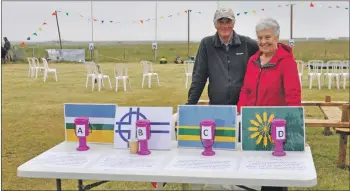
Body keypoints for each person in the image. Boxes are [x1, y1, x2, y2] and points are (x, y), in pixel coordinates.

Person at [237, 18, 301, 191]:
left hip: (276, 126)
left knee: (274, 177)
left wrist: (293, 127)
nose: (263, 42)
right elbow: (246, 90)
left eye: (268, 37)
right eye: (260, 38)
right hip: (252, 124)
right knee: (252, 172)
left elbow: (293, 96)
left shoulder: (287, 63)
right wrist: (239, 114)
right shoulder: (252, 61)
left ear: (277, 37)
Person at [186, 7, 259, 106]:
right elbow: (199, 77)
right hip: (217, 105)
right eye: (221, 22)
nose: (225, 26)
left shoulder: (248, 44)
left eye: (228, 21)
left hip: (244, 105)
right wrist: (190, 104)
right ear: (215, 24)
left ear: (233, 23)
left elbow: (267, 55)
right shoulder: (206, 44)